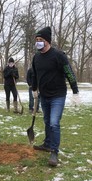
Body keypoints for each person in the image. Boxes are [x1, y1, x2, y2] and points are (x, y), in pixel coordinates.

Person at [31, 26, 79, 167]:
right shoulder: (36, 58)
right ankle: (47, 144)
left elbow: (69, 72)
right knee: (47, 121)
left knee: (54, 123)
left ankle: (54, 151)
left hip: (58, 95)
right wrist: (34, 89)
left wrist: (75, 91)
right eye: (37, 40)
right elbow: (35, 74)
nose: (38, 42)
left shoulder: (58, 55)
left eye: (41, 40)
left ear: (47, 41)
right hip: (44, 96)